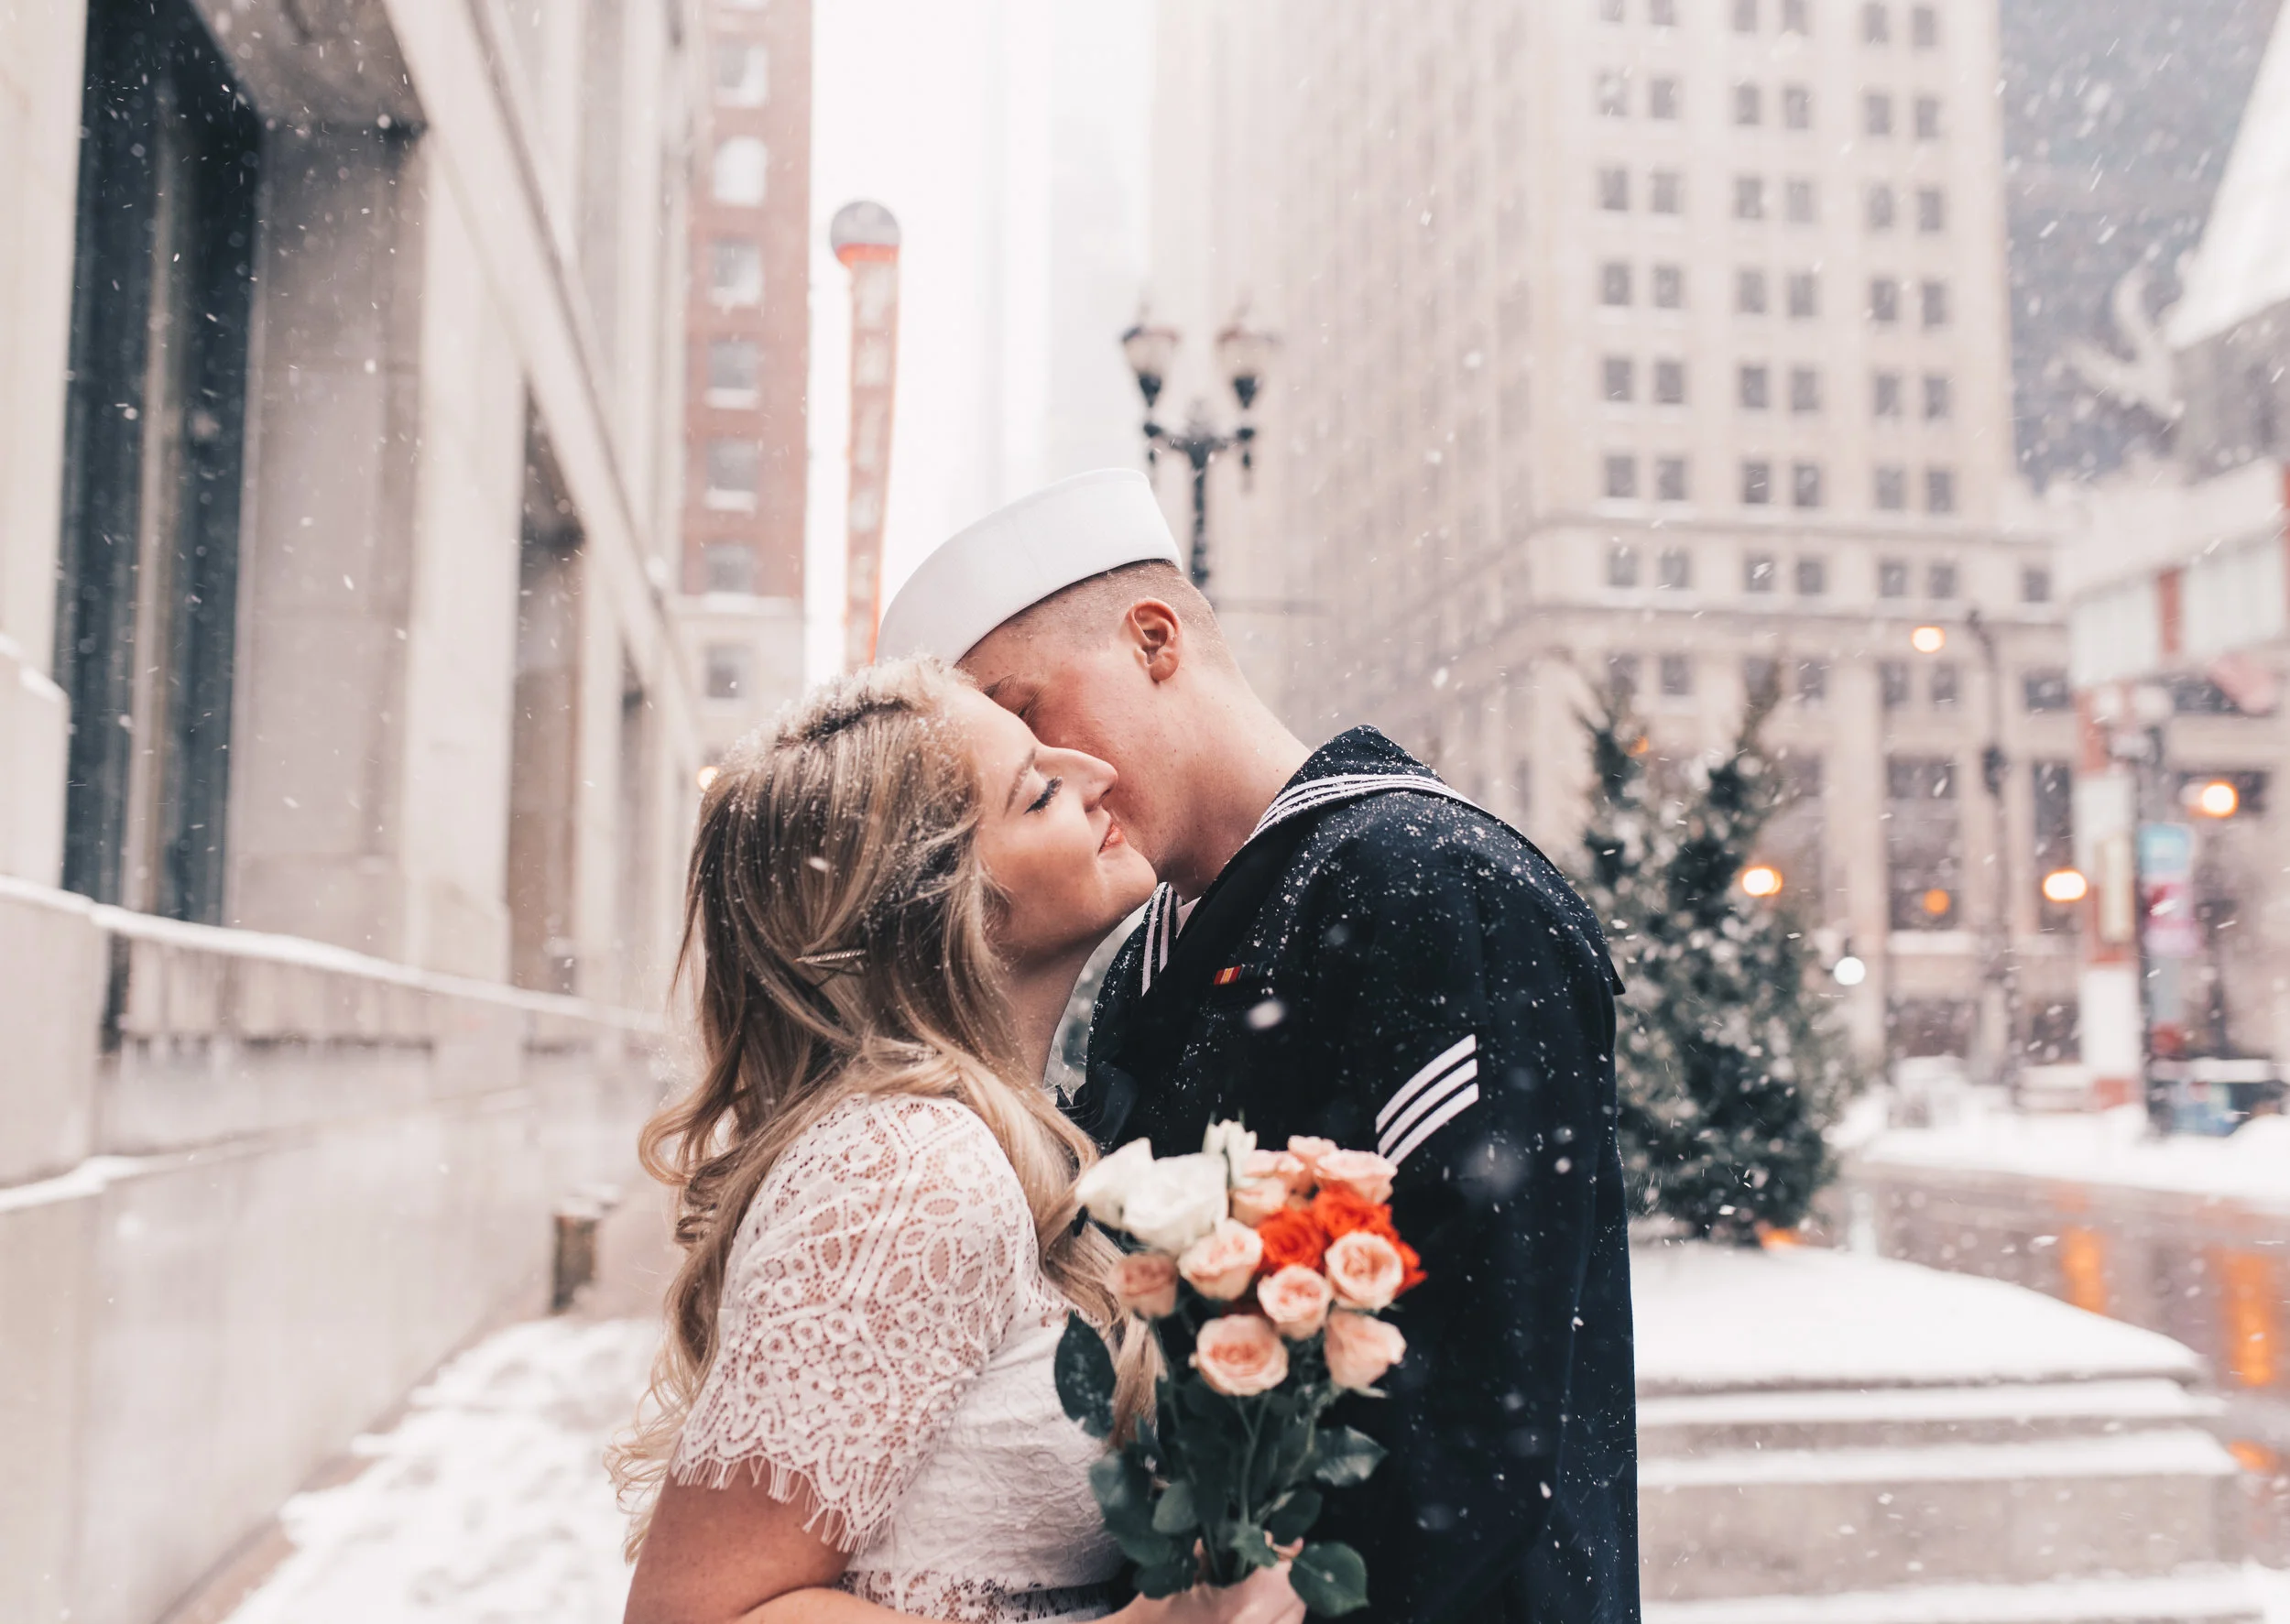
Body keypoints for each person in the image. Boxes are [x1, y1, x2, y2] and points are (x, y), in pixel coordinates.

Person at [876, 470, 1640, 1624]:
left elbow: (1483, 1414)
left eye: (1028, 713)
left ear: (1153, 638)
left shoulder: (1432, 885)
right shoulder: (1145, 956)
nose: (1052, 775)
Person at [615, 660, 1303, 1624]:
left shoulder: (983, 1143)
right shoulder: (907, 1168)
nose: (1096, 774)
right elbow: (698, 1617)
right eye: (1040, 791)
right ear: (946, 904)